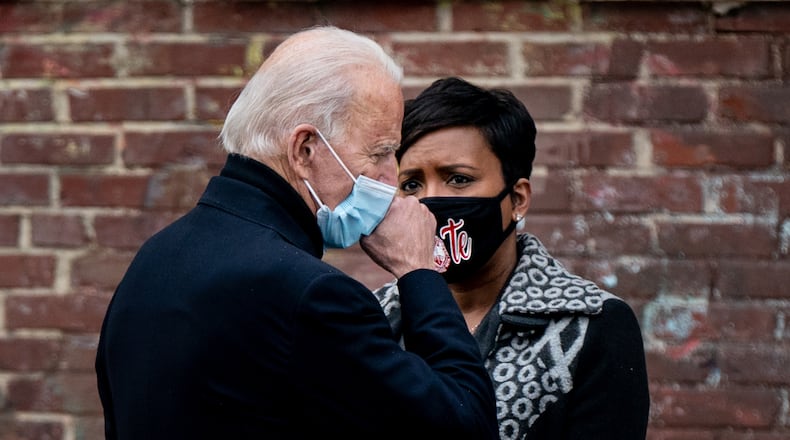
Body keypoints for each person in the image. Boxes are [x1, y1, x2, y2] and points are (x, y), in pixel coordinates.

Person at [95, 27, 498, 439]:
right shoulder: (309, 295)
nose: (390, 177)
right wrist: (419, 272)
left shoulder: (156, 258)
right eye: (379, 152)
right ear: (305, 150)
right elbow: (464, 425)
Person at [374, 77, 650, 439]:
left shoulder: (589, 326)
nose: (429, 203)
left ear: (517, 199)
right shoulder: (375, 316)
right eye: (410, 184)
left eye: (458, 179)